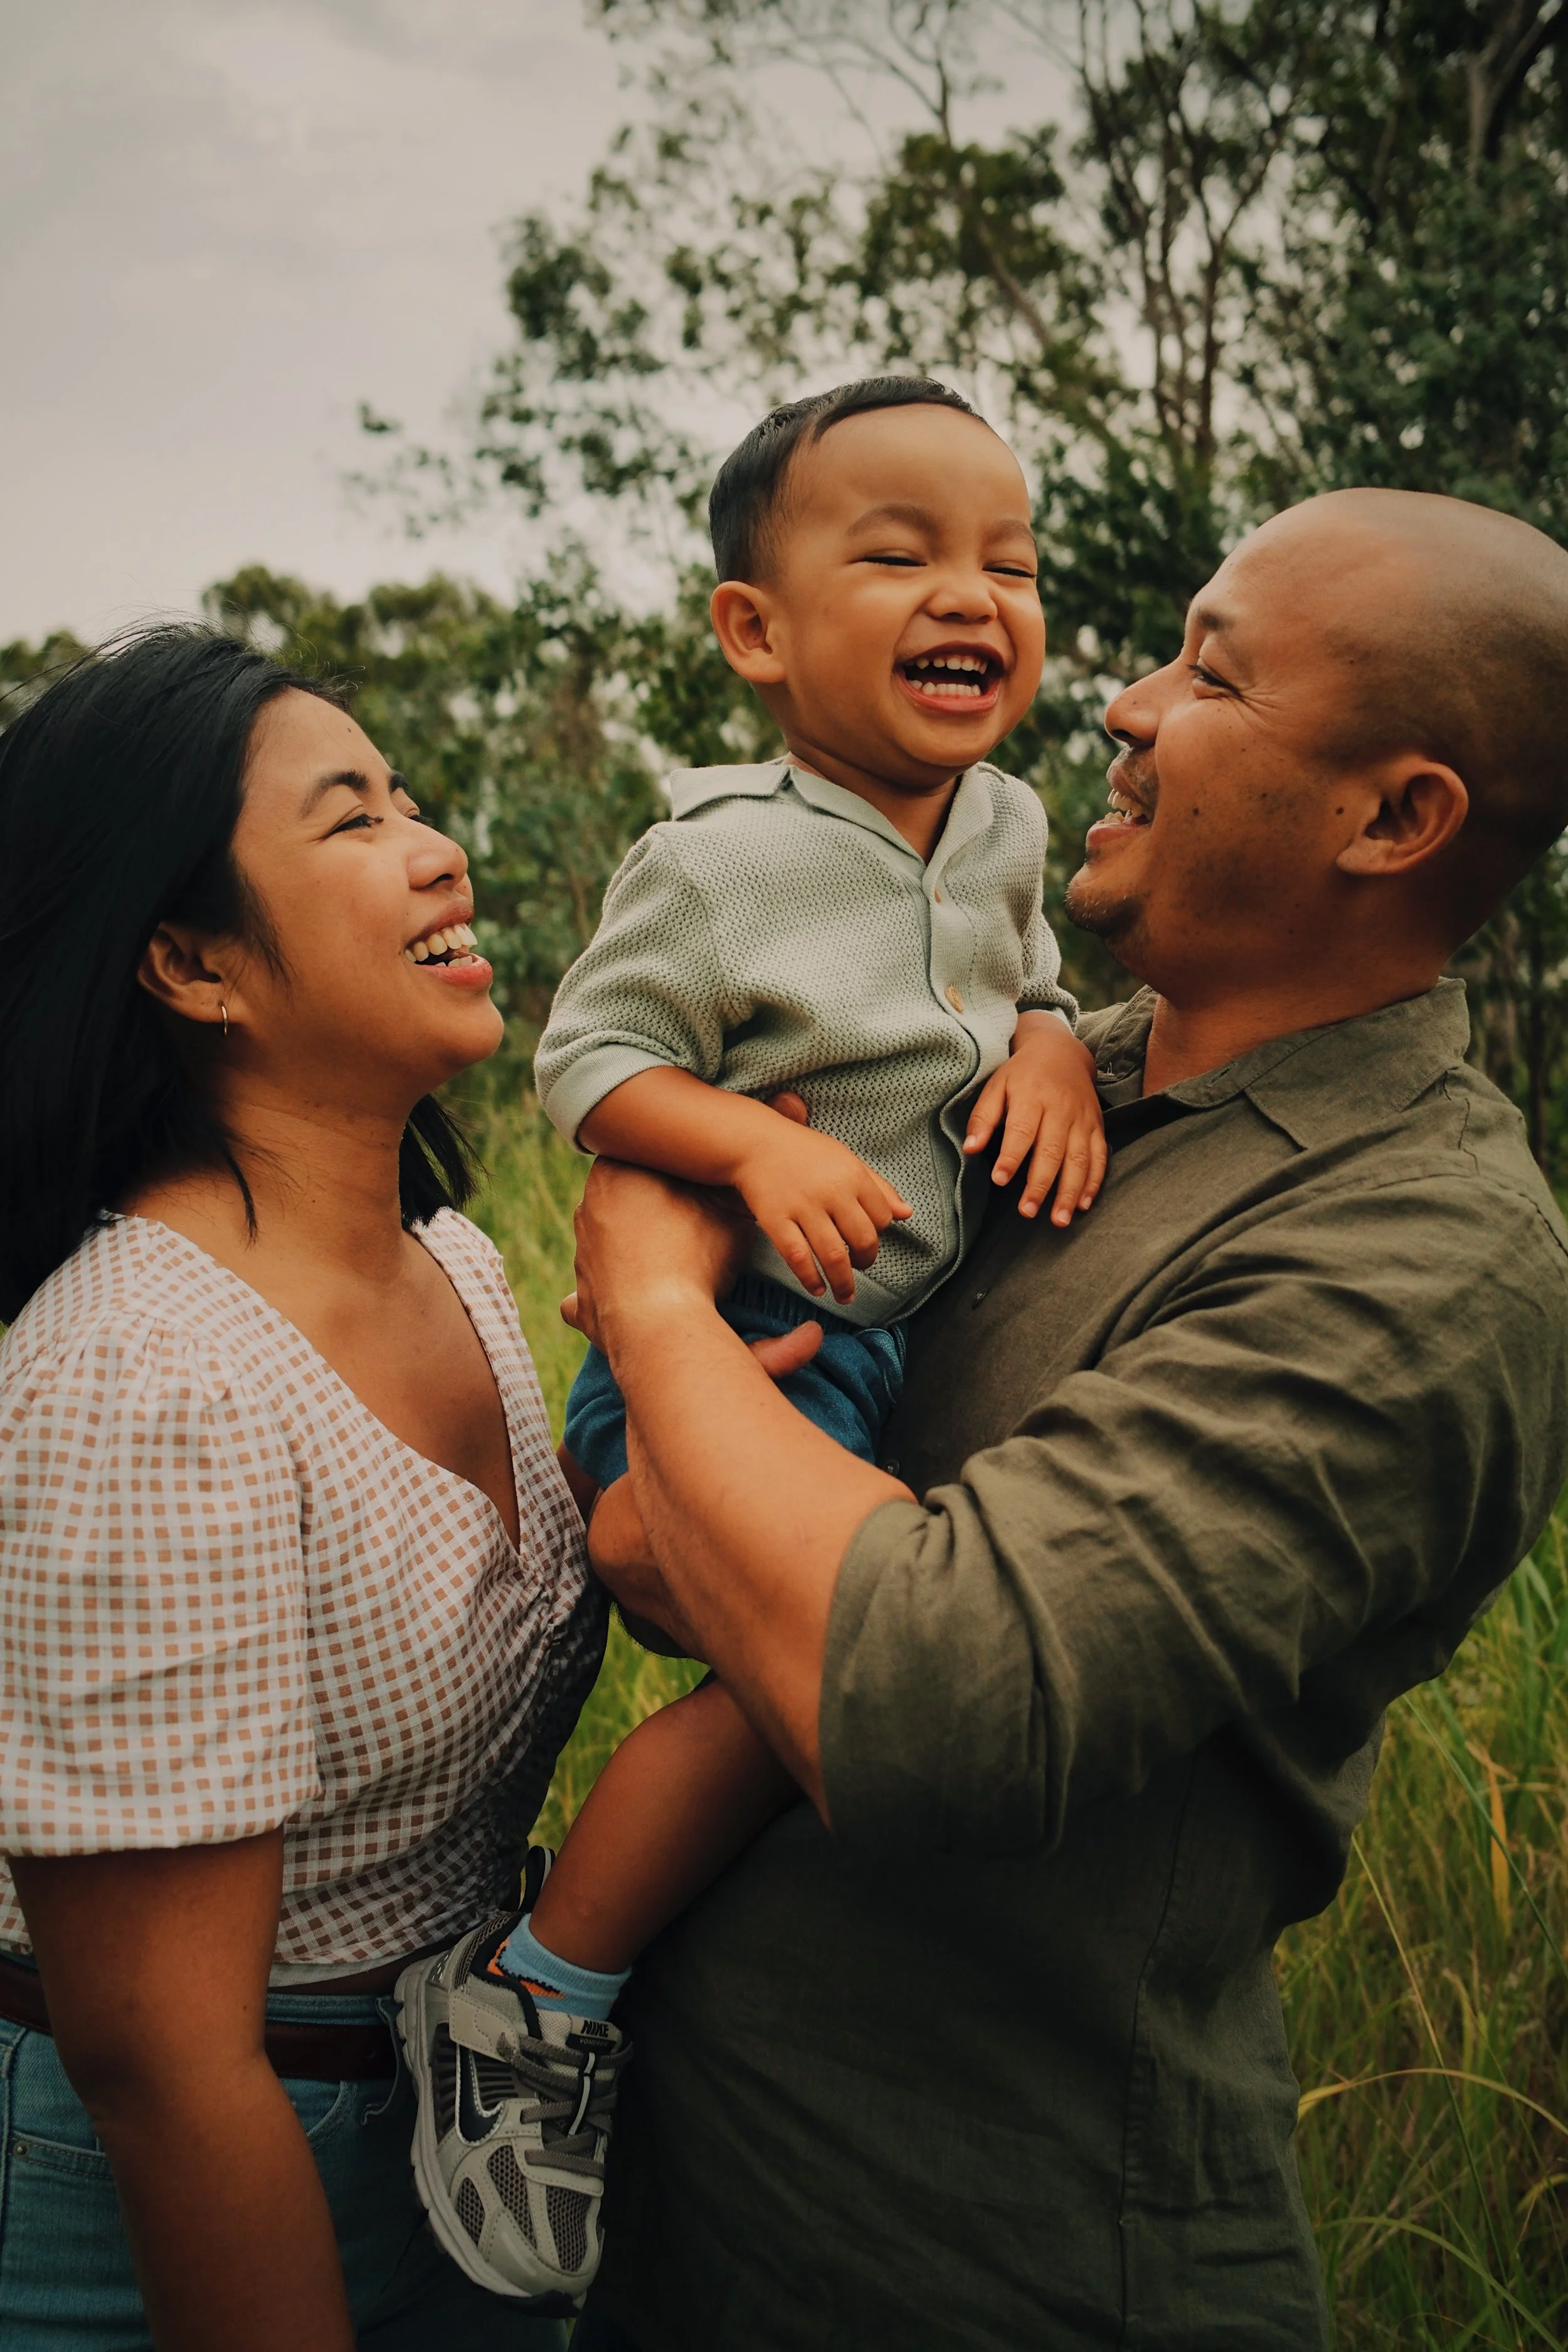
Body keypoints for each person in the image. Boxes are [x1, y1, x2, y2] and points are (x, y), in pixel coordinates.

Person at [561, 488, 1568, 2351]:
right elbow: (645, 1534)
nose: (1114, 699)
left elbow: (933, 1699)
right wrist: (681, 1490)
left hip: (992, 2258)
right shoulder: (999, 1077)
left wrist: (643, 1286)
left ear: (1392, 815)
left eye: (1211, 671)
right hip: (694, 2213)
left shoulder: (1425, 1248)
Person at [395, 376, 1108, 2297]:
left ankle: (590, 1981)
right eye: (898, 555)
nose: (973, 594)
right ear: (755, 633)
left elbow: (1028, 973)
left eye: (1009, 563)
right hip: (743, 1322)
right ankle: (532, 1999)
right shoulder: (711, 856)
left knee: (849, 1703)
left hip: (891, 1336)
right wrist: (731, 1152)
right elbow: (588, 1062)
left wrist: (1048, 1041)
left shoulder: (1012, 821)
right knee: (801, 1709)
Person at [0, 630, 607, 2350]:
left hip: (446, 2129)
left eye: (409, 800)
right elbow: (162, 2062)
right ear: (188, 961)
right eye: (352, 823)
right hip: (171, 2200)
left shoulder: (465, 1267)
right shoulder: (147, 1378)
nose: (437, 847)